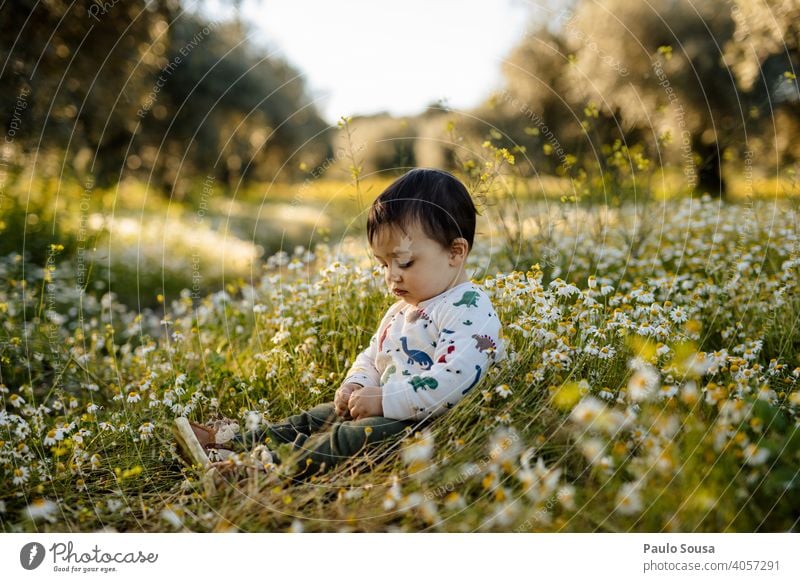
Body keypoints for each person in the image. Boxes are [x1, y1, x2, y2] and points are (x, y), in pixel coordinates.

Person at [172, 168, 506, 484]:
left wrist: (384, 401)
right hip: (384, 408)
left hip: (421, 428)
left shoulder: (469, 308)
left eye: (404, 262)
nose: (392, 275)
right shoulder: (400, 311)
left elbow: (454, 380)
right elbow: (373, 356)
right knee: (316, 417)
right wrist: (355, 385)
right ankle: (228, 445)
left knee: (347, 438)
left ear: (455, 252)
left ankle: (264, 471)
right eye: (383, 264)